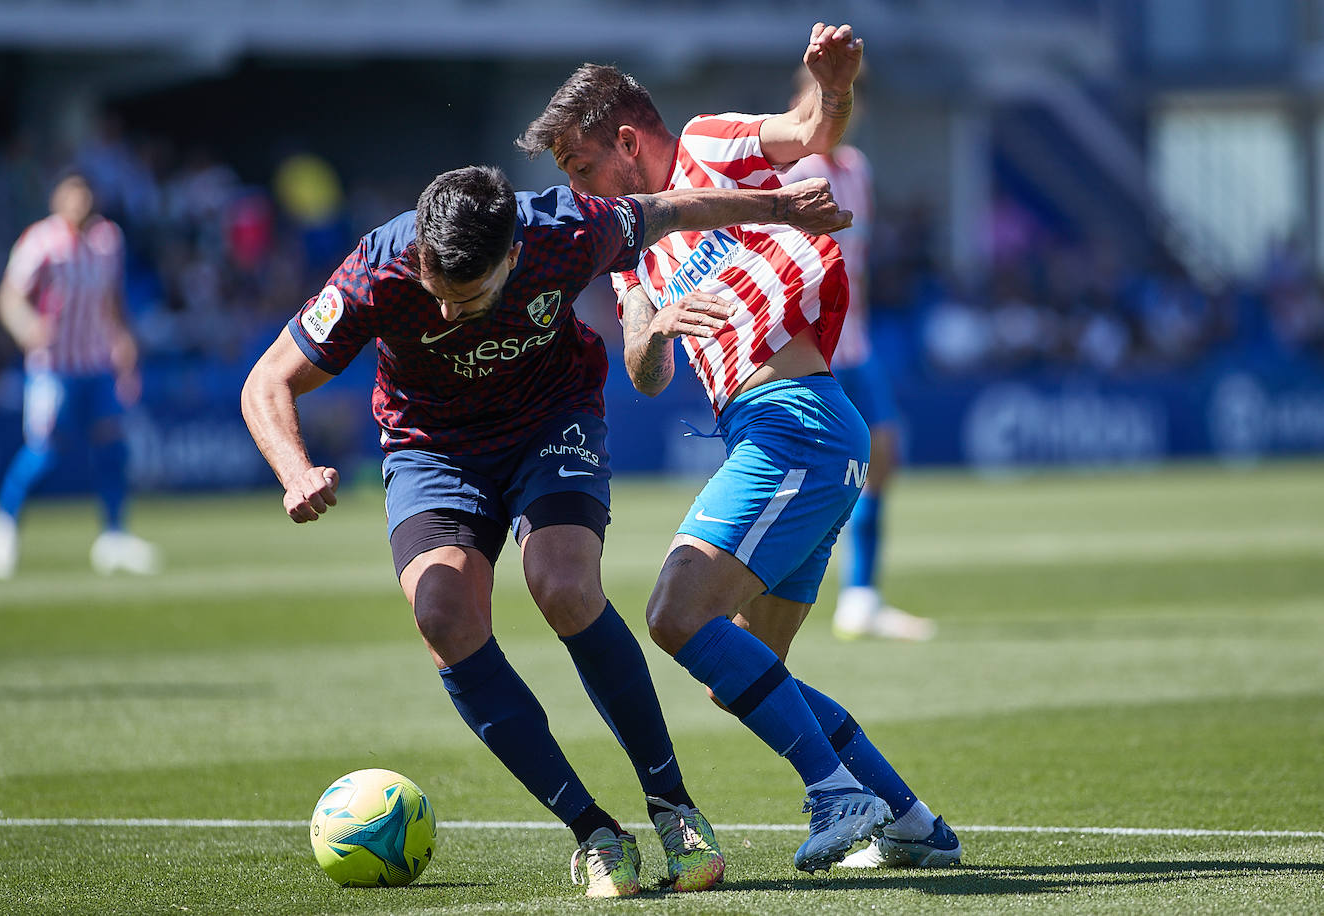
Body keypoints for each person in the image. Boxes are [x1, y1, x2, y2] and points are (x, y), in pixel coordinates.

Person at [240, 165, 851, 896]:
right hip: (431, 448)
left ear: (511, 257)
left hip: (550, 421)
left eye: (468, 300)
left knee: (561, 585)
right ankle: (593, 830)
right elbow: (267, 380)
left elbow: (671, 208)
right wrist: (295, 470)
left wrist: (782, 205)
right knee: (441, 615)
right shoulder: (379, 268)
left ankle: (673, 807)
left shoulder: (566, 229)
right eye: (437, 294)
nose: (448, 314)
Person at [519, 22, 960, 873]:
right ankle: (909, 819)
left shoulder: (708, 146)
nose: (578, 191)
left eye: (580, 170)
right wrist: (660, 330)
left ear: (625, 140)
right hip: (786, 433)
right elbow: (644, 371)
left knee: (674, 614)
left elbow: (812, 135)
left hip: (796, 418)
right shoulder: (627, 244)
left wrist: (831, 85)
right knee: (755, 673)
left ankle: (838, 794)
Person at [782, 68, 938, 644]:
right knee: (816, 472)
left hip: (856, 342)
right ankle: (756, 585)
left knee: (883, 454)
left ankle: (861, 597)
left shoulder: (857, 171)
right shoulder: (799, 171)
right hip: (814, 346)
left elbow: (860, 263)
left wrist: (862, 329)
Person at [0, 170, 161, 581]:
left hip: (96, 363)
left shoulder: (108, 240)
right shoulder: (40, 241)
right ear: (58, 200)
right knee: (44, 452)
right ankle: (6, 523)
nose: (79, 203)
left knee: (113, 450)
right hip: (54, 367)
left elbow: (112, 299)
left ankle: (113, 537)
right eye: (72, 195)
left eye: (85, 195)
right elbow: (9, 297)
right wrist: (26, 326)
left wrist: (124, 342)